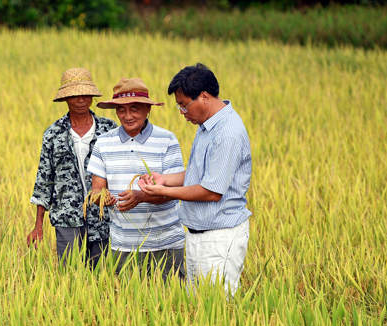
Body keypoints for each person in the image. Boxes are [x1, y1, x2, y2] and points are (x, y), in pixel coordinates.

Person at [138, 63, 252, 295]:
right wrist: (164, 180)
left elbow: (211, 191)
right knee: (198, 307)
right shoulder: (207, 125)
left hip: (219, 237)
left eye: (183, 105)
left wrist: (163, 193)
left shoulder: (226, 133)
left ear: (204, 97)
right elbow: (198, 174)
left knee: (218, 310)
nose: (182, 113)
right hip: (199, 233)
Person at [86, 77, 186, 277]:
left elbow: (177, 191)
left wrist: (142, 196)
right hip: (123, 245)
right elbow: (96, 189)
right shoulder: (104, 143)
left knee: (171, 303)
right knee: (127, 304)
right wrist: (104, 198)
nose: (128, 116)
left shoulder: (166, 139)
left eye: (135, 108)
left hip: (167, 242)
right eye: (121, 110)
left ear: (148, 109)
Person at [27, 68, 118, 268]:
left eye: (85, 94)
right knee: (70, 276)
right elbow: (44, 180)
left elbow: (120, 171)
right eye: (74, 95)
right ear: (66, 98)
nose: (81, 99)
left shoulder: (109, 130)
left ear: (92, 96)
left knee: (102, 276)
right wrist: (38, 224)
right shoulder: (53, 134)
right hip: (66, 217)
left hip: (102, 217)